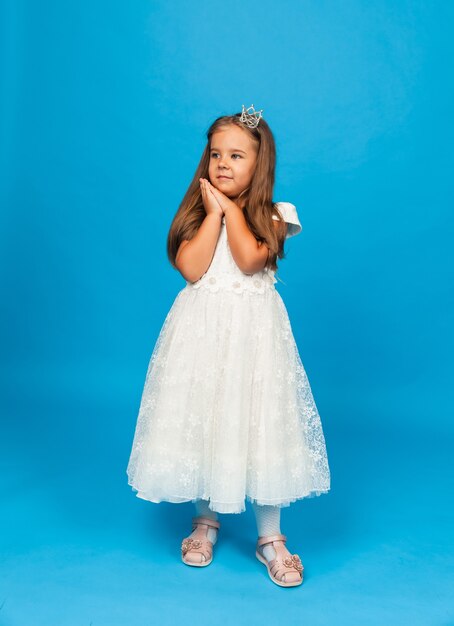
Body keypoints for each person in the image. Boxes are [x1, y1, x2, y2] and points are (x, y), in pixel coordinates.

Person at [126, 104, 331, 587]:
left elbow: (247, 260)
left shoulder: (279, 215)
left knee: (261, 424)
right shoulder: (198, 215)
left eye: (237, 155)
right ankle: (205, 520)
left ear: (260, 164)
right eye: (216, 154)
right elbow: (194, 269)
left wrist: (230, 209)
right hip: (201, 337)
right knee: (205, 417)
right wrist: (212, 213)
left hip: (255, 342)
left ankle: (270, 538)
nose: (223, 163)